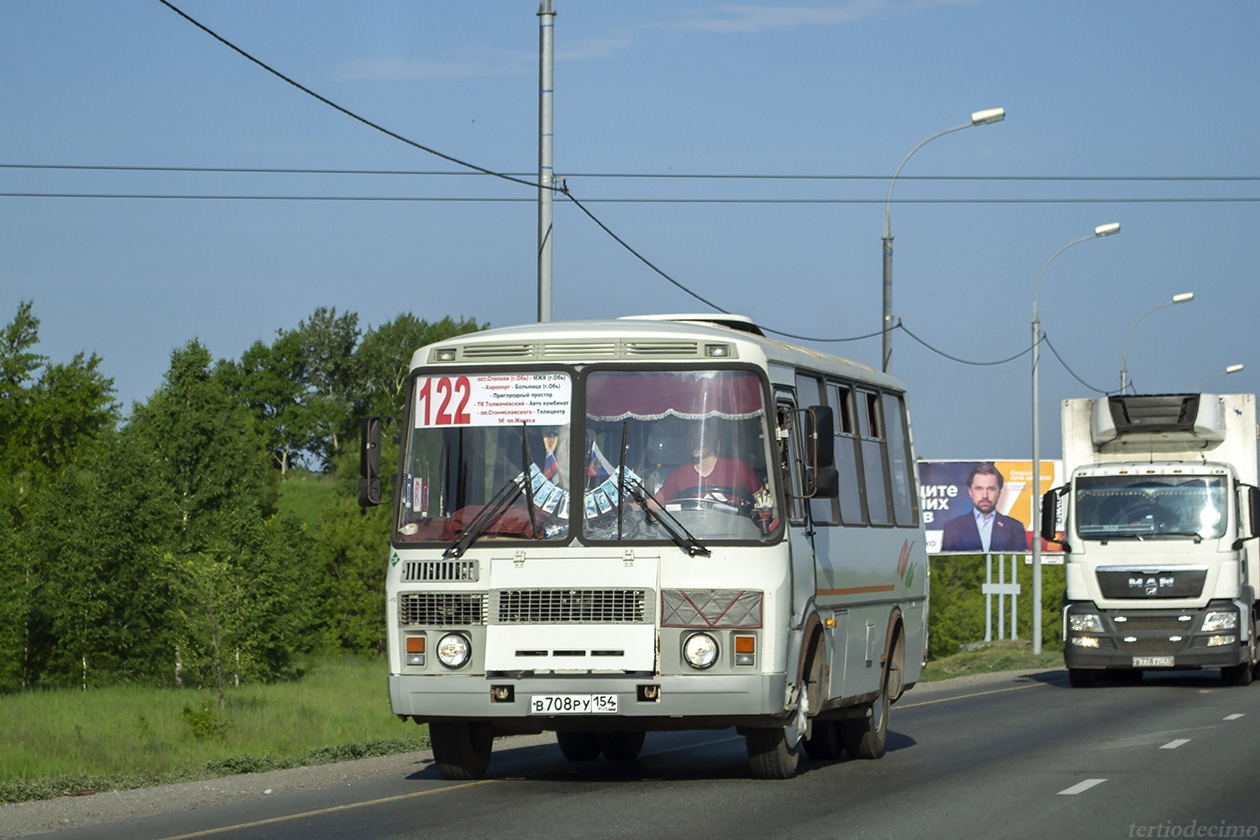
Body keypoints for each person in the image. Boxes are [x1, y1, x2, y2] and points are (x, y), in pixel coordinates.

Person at [657, 425, 760, 505]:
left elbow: (762, 501)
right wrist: (641, 505)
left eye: (700, 436)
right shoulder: (678, 475)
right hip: (692, 531)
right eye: (691, 438)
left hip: (735, 530)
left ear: (714, 436)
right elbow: (655, 503)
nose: (696, 442)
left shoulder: (737, 467)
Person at [940, 463, 1029, 552]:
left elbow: (1021, 563)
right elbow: (945, 564)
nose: (985, 495)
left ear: (999, 492)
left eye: (991, 489)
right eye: (979, 488)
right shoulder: (953, 527)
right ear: (970, 491)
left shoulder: (1015, 527)